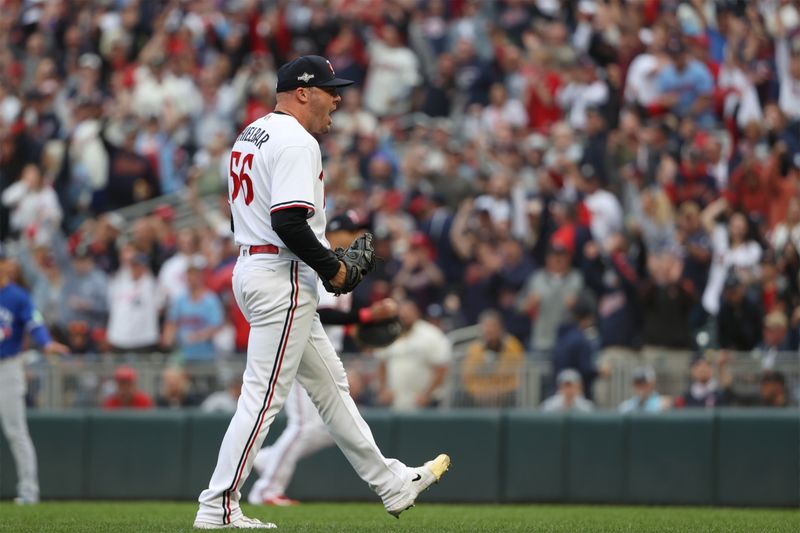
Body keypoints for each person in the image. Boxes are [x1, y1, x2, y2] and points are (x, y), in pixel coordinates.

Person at [194, 56, 449, 530]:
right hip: (280, 272)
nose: (338, 99)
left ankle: (390, 483)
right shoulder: (295, 139)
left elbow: (249, 215)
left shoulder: (252, 132)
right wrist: (332, 268)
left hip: (255, 263)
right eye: (330, 90)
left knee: (331, 389)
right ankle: (218, 508)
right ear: (302, 92)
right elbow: (288, 219)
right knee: (263, 397)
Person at [247, 212, 400, 506]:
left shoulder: (347, 267)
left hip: (323, 351)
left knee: (329, 429)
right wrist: (367, 315)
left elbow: (340, 319)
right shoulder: (321, 260)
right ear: (335, 232)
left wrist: (363, 326)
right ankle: (266, 490)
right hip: (301, 349)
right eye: (351, 231)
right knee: (306, 426)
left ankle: (270, 458)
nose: (356, 238)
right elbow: (320, 311)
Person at [0, 247, 69, 505]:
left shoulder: (17, 296)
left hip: (7, 367)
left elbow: (34, 322)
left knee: (15, 431)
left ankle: (29, 490)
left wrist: (46, 342)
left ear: (7, 265)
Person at [375, 300, 452, 411]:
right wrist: (383, 390)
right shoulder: (390, 333)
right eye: (402, 312)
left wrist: (427, 394)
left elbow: (442, 368)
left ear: (417, 313)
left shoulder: (431, 334)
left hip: (424, 404)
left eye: (408, 311)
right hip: (395, 403)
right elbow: (382, 363)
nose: (405, 315)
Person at [461, 309, 525, 407]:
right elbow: (468, 379)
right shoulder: (474, 349)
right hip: (479, 397)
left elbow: (519, 376)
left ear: (501, 328)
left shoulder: (513, 346)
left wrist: (500, 390)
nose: (489, 330)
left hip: (506, 396)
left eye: (493, 326)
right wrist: (480, 391)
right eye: (486, 326)